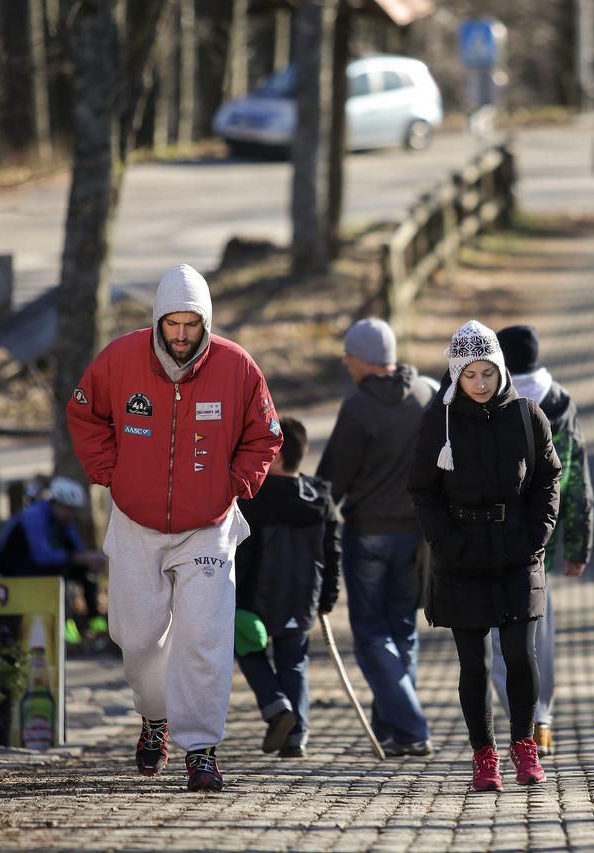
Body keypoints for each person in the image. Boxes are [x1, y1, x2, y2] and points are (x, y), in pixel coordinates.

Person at [66, 263, 282, 793]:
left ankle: (201, 748)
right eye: (173, 324)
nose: (182, 336)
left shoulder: (237, 366)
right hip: (136, 524)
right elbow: (85, 414)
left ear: (206, 322)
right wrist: (109, 472)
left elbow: (266, 435)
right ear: (158, 321)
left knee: (204, 637)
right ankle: (154, 717)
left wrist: (236, 483)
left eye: (192, 325)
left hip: (208, 526)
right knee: (137, 637)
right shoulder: (119, 358)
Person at [407, 320, 561, 792]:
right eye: (470, 374)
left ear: (501, 370)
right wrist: (447, 543)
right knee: (472, 663)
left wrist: (537, 534)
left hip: (518, 553)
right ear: (456, 373)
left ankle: (524, 747)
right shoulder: (439, 420)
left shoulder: (527, 415)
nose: (480, 384)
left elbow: (547, 480)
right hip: (460, 556)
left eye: (488, 373)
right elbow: (422, 491)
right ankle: (484, 755)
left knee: (519, 653)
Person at [316, 317, 438, 756]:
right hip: (416, 536)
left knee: (370, 634)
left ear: (364, 360)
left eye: (348, 355)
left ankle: (411, 727)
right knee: (402, 629)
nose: (345, 362)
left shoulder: (358, 409)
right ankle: (390, 729)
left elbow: (333, 480)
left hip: (368, 535)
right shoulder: (427, 394)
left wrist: (309, 509)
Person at [489, 325, 594, 757]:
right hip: (544, 537)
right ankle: (542, 719)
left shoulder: (492, 399)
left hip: (495, 531)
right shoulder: (562, 401)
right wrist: (578, 545)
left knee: (500, 637)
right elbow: (577, 478)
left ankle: (521, 718)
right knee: (540, 632)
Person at [234, 417, 341, 759]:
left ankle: (275, 705)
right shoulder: (320, 495)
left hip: (256, 600)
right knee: (294, 663)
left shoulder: (254, 499)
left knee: (248, 650)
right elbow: (332, 551)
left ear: (276, 457)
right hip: (303, 598)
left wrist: (232, 595)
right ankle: (297, 735)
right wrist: (328, 597)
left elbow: (243, 552)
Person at [0, 476, 108, 643]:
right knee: (60, 578)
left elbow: (77, 549)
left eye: (74, 510)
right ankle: (65, 632)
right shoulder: (35, 515)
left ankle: (97, 626)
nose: (71, 514)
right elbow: (41, 556)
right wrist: (79, 558)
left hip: (39, 566)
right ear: (56, 503)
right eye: (68, 509)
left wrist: (90, 559)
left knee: (87, 574)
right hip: (13, 568)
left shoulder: (64, 521)